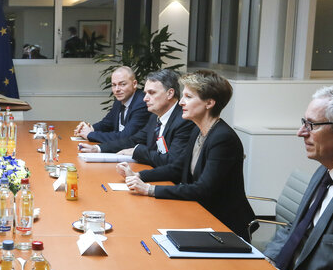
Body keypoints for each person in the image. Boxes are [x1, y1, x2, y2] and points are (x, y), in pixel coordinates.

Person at [118, 70, 254, 240]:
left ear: (209, 103)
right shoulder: (198, 129)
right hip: (199, 214)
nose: (181, 102)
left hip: (223, 227)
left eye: (188, 97)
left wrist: (150, 189)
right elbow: (177, 168)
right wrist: (138, 175)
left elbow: (203, 189)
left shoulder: (222, 139)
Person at [264, 85, 333, 270]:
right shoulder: (324, 170)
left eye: (312, 125)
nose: (301, 132)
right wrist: (267, 263)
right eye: (304, 122)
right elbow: (296, 227)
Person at [79, 69, 195, 168]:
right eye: (145, 93)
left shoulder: (183, 121)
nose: (145, 99)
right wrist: (98, 149)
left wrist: (137, 152)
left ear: (170, 94)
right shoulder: (155, 117)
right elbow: (133, 140)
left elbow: (170, 161)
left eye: (151, 93)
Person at [74, 66, 149, 144]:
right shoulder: (119, 101)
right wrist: (89, 128)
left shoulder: (142, 103)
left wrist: (90, 134)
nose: (117, 89)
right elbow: (106, 123)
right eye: (114, 85)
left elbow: (126, 137)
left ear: (134, 84)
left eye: (122, 84)